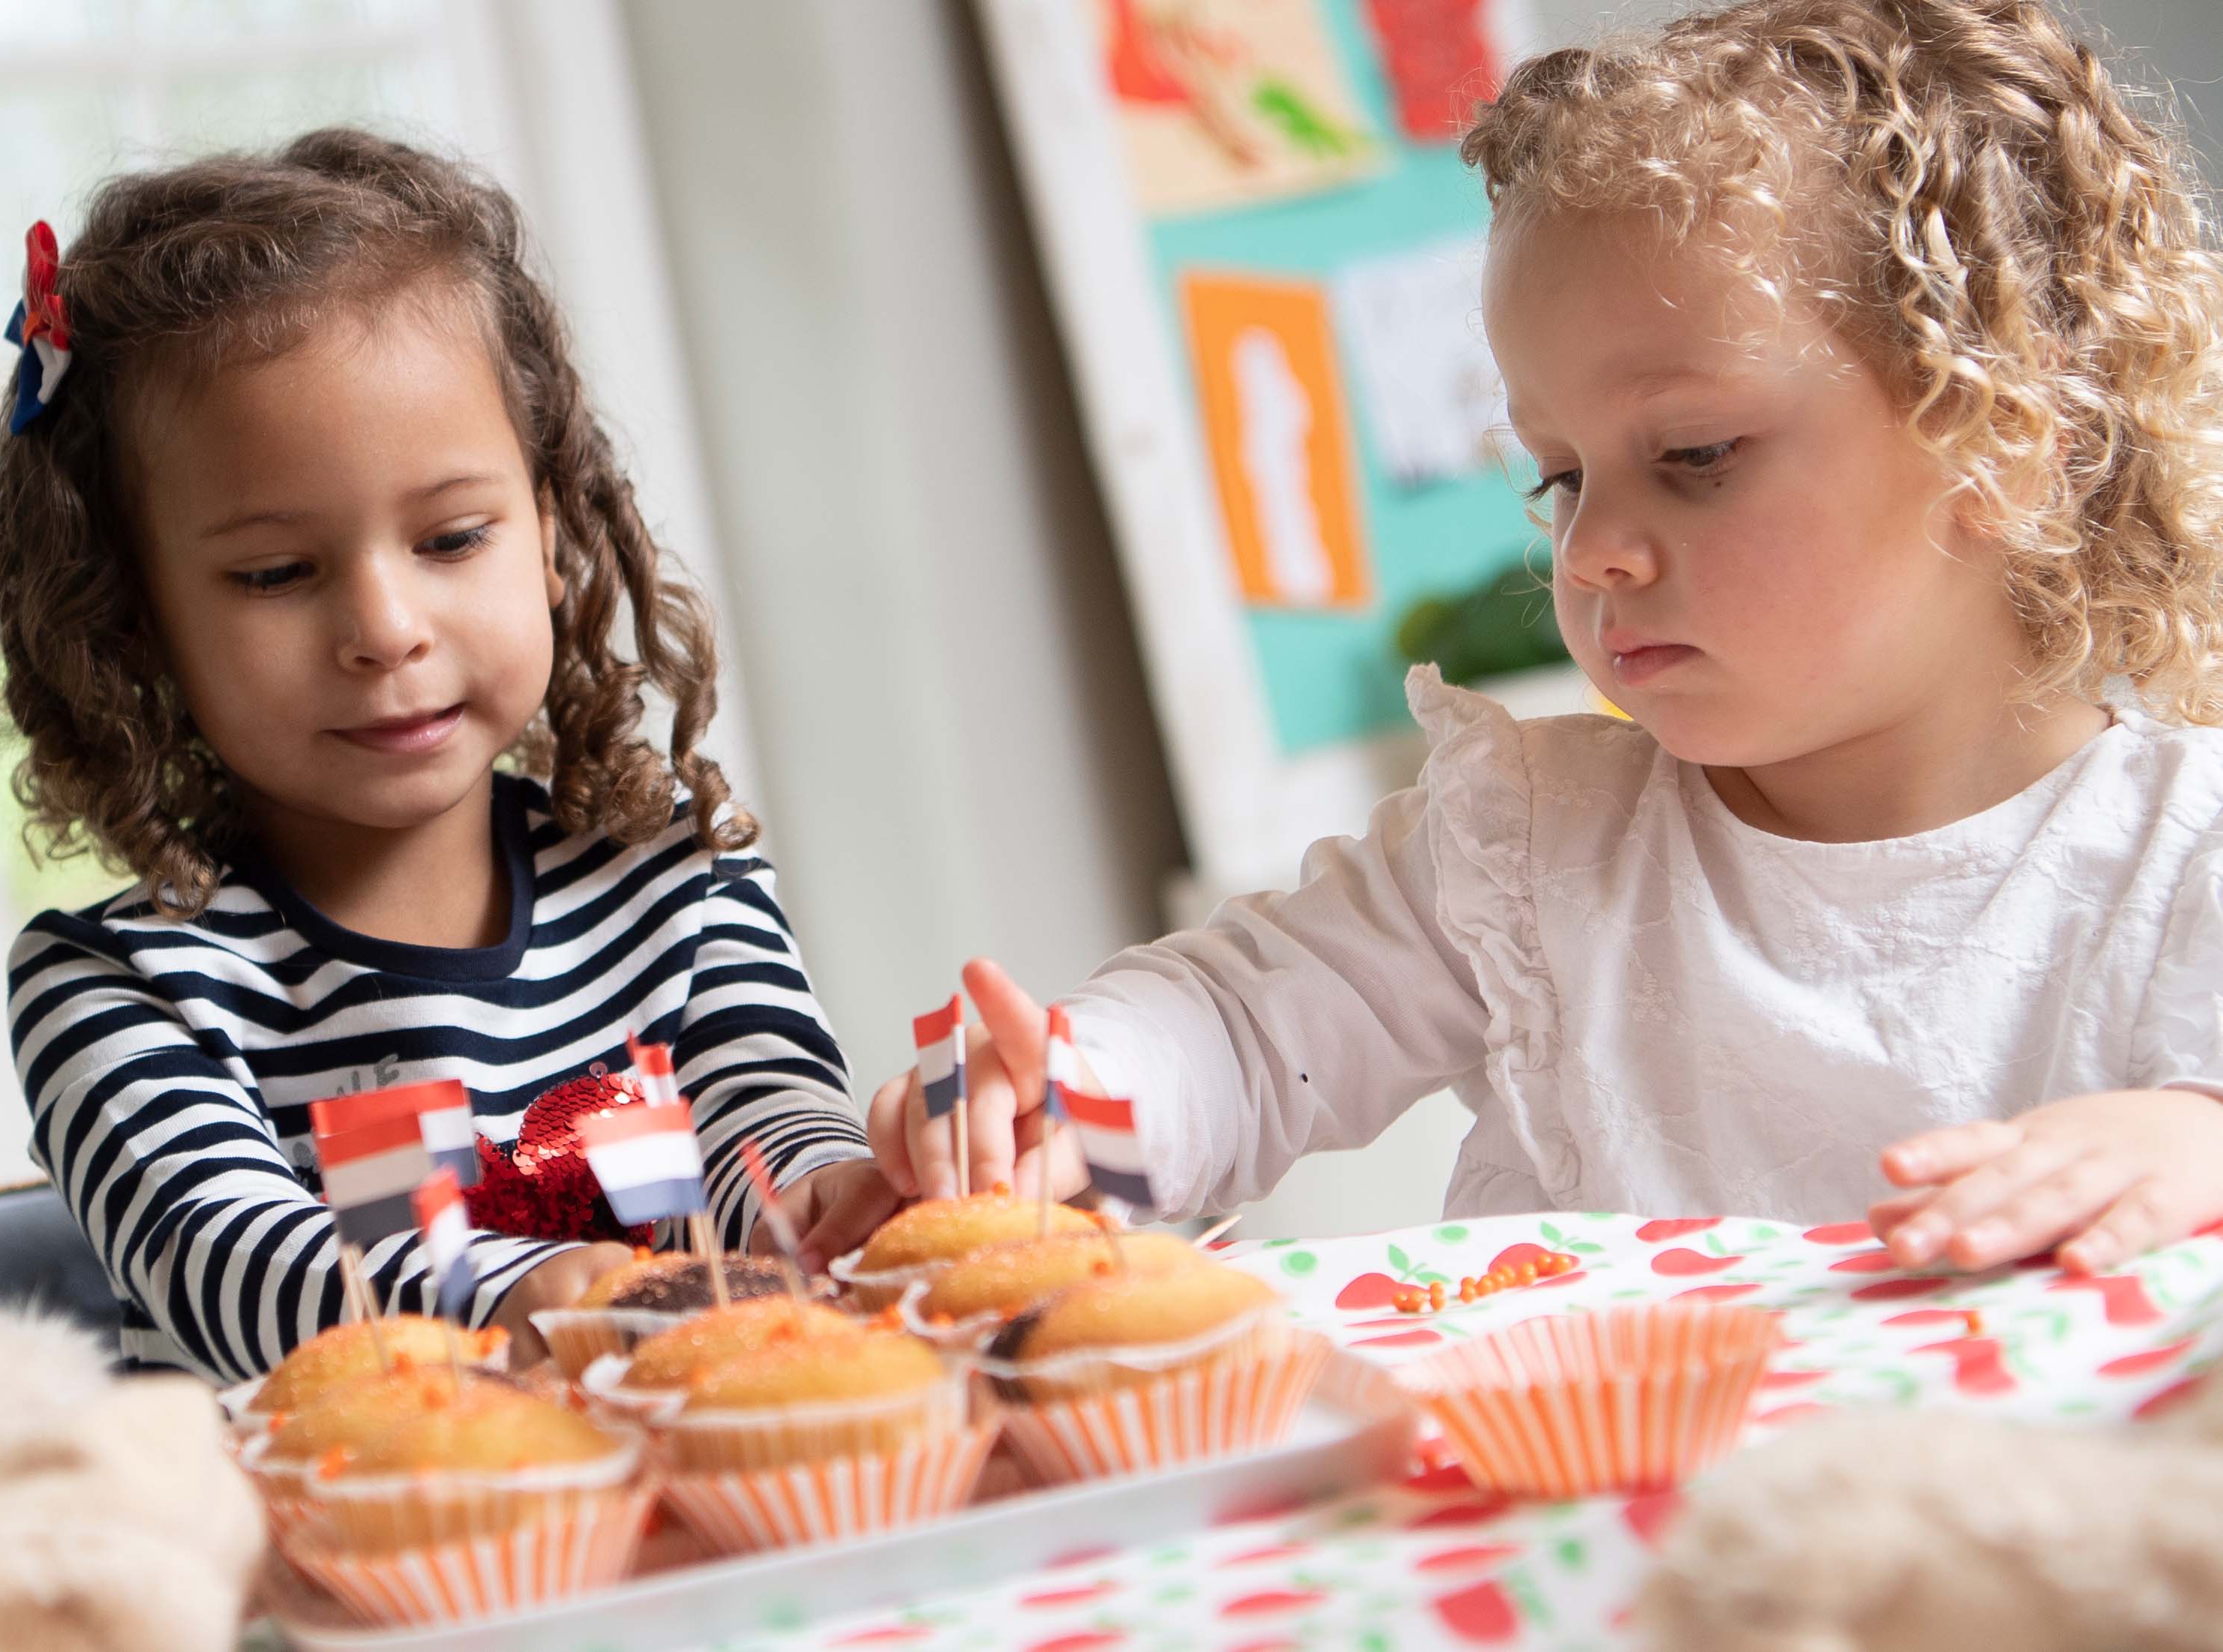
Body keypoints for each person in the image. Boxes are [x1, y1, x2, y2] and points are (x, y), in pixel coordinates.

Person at [870, 0, 2223, 1280]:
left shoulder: (2185, 854)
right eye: (1560, 474)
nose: (1588, 551)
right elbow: (1233, 1030)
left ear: (1999, 444)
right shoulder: (1524, 846)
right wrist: (1060, 1096)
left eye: (1693, 454)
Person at [0, 129, 893, 1383]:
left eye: (452, 538)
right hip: (326, 1558)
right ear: (131, 619)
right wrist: (507, 1286)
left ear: (552, 531)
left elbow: (772, 1127)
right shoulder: (120, 988)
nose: (384, 629)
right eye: (276, 572)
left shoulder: (678, 887)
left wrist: (848, 1195)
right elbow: (232, 1266)